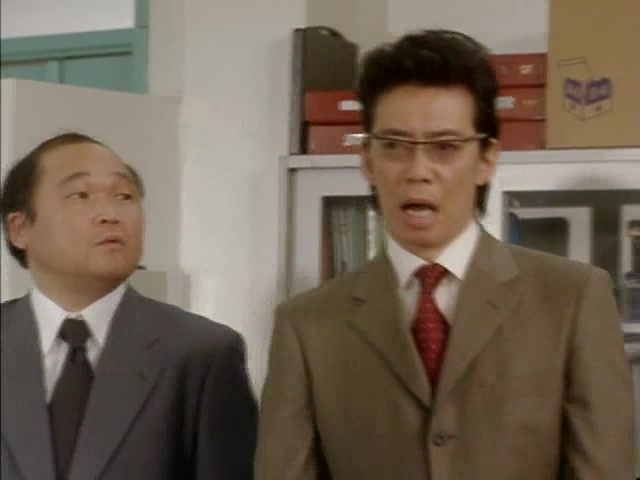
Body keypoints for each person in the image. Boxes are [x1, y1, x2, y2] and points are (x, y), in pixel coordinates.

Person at [255, 30, 634, 479]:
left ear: (486, 159)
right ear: (367, 160)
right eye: (394, 146)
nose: (418, 171)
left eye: (445, 148)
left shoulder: (571, 298)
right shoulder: (307, 325)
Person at [0, 133, 257, 480]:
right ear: (19, 229)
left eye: (124, 196)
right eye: (80, 195)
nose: (110, 214)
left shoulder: (202, 355)